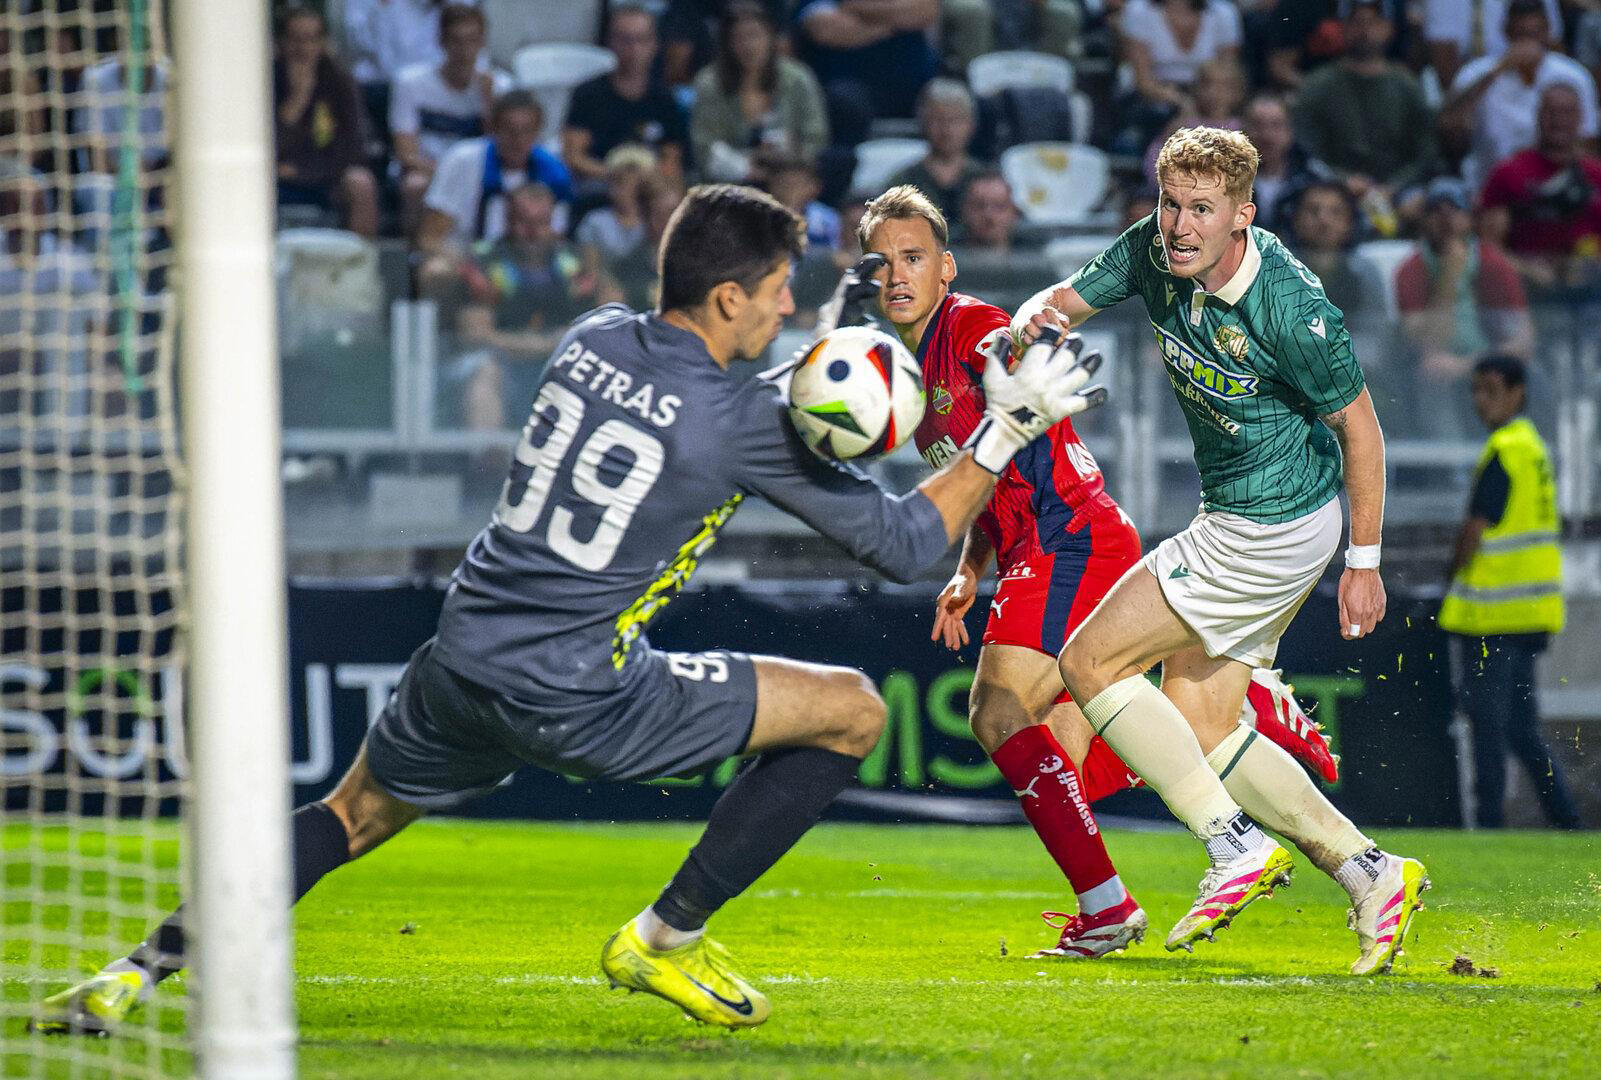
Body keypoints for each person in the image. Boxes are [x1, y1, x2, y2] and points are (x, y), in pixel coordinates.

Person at [33, 183, 1106, 1035]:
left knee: (346, 819)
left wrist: (809, 351)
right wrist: (1003, 430)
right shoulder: (741, 423)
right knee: (855, 710)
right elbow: (912, 542)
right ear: (730, 298)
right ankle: (664, 937)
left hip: (454, 658)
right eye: (778, 287)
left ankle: (135, 972)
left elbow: (703, 396)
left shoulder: (589, 335)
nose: (791, 301)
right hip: (577, 693)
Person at [858, 184, 1340, 958]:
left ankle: (1147, 887)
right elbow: (979, 477)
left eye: (913, 258)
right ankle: (1240, 712)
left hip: (1070, 537)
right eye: (880, 263)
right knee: (1067, 766)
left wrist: (1033, 353)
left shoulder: (971, 327)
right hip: (1029, 550)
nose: (897, 275)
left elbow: (1014, 357)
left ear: (945, 267)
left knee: (994, 709)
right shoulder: (908, 379)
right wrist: (968, 567)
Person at [1012, 126, 1428, 974]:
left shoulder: (1291, 305)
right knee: (1200, 725)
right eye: (1170, 203)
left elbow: (1360, 427)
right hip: (1243, 518)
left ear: (1241, 215)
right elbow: (1058, 303)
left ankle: (1229, 845)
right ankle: (1369, 871)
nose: (1178, 225)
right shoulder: (1149, 251)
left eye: (1201, 208)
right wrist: (1026, 330)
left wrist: (1364, 563)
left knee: (1089, 663)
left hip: (1267, 526)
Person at [1439, 354, 1579, 830]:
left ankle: (1489, 824)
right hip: (1531, 615)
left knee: (1489, 729)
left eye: (1491, 391)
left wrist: (1449, 576)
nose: (1481, 401)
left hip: (1494, 618)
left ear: (1518, 393)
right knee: (1521, 729)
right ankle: (1567, 820)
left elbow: (1475, 528)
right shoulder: (1533, 448)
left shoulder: (1503, 449)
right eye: (1476, 391)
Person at [439, 184, 624, 433]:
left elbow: (609, 322)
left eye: (542, 222)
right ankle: (487, 463)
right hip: (504, 368)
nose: (533, 233)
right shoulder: (483, 262)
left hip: (559, 369)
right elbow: (476, 337)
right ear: (507, 220)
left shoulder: (574, 263)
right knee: (483, 370)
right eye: (523, 222)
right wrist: (551, 344)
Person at [1398, 177, 1533, 436]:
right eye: (1436, 212)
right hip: (1435, 370)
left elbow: (1523, 341)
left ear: (1470, 218)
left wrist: (1467, 365)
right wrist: (1450, 274)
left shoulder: (1495, 264)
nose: (1446, 220)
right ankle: (1443, 461)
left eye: (1455, 211)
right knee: (1429, 376)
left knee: (1532, 377)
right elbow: (1420, 340)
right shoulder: (1411, 270)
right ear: (1424, 220)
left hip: (1487, 359)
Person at [1291, 0, 1435, 233]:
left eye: (1374, 22)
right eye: (1357, 22)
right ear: (1343, 27)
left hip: (1398, 192)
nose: (1366, 30)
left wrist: (1394, 187)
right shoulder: (1318, 86)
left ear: (1389, 28)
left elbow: (1425, 152)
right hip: (1335, 190)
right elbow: (1306, 148)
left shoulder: (1407, 86)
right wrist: (1344, 180)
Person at [1442, 0, 1599, 191]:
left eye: (1534, 34)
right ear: (1506, 31)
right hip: (1486, 185)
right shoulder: (1475, 73)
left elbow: (1588, 145)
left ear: (1548, 31)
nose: (1527, 43)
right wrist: (1497, 71)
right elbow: (1448, 129)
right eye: (1520, 35)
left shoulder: (1573, 76)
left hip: (1556, 186)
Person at [389, 3, 512, 237]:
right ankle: (416, 258)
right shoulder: (410, 83)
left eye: (472, 40)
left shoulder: (500, 87)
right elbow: (406, 153)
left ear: (482, 42)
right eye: (456, 40)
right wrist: (449, 175)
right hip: (426, 169)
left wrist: (488, 104)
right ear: (441, 41)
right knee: (415, 185)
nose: (464, 51)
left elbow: (504, 150)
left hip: (478, 172)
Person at [418, 90, 573, 265]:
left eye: (527, 131)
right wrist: (472, 270)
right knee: (436, 270)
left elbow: (555, 240)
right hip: (465, 259)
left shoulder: (554, 172)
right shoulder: (461, 160)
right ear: (493, 128)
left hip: (526, 265)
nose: (519, 140)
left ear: (538, 131)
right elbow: (430, 238)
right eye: (510, 131)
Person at [1478, 82, 1601, 292]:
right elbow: (1489, 248)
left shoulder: (1596, 175)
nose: (1559, 120)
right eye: (1550, 112)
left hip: (1592, 293)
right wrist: (1527, 270)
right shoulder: (1509, 172)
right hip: (1529, 292)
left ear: (1580, 118)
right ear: (1537, 116)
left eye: (1567, 112)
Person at [689, 1, 829, 184]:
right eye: (739, 37)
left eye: (755, 35)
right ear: (727, 43)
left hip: (791, 171)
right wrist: (748, 165)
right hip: (733, 178)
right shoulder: (708, 83)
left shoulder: (798, 78)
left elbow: (816, 137)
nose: (749, 45)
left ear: (771, 37)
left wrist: (790, 154)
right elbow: (705, 149)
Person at [273, 6, 379, 237]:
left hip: (326, 176)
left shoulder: (339, 82)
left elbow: (353, 148)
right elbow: (265, 148)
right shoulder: (266, 80)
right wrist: (296, 102)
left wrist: (306, 171)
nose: (303, 48)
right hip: (276, 179)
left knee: (361, 182)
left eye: (311, 39)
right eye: (295, 39)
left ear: (322, 43)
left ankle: (361, 266)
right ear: (280, 42)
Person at [562, 5, 690, 187]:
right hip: (601, 184)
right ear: (610, 42)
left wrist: (646, 178)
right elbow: (574, 157)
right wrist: (615, 175)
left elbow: (673, 160)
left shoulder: (665, 99)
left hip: (653, 186)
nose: (634, 49)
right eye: (625, 40)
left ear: (655, 44)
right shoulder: (588, 94)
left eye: (641, 40)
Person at [887, 80, 987, 229]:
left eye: (956, 120)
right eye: (937, 120)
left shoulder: (987, 179)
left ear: (971, 124)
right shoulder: (903, 182)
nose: (947, 130)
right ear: (923, 123)